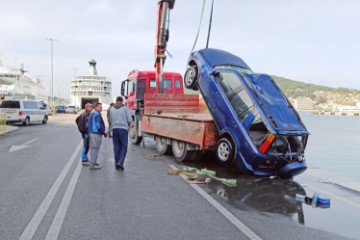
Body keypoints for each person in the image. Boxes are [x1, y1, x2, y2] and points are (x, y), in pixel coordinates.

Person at [109, 96, 132, 170]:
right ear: (122, 101)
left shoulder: (112, 108)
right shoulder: (125, 108)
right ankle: (120, 162)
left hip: (115, 129)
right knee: (124, 146)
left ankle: (116, 163)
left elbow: (110, 120)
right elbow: (129, 119)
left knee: (116, 147)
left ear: (116, 101)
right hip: (123, 129)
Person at [87, 102, 107, 170]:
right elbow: (98, 125)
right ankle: (92, 164)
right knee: (95, 149)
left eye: (101, 106)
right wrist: (103, 131)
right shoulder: (97, 114)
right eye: (100, 106)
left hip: (92, 133)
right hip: (96, 134)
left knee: (93, 149)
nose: (101, 108)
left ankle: (93, 162)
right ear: (96, 107)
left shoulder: (92, 113)